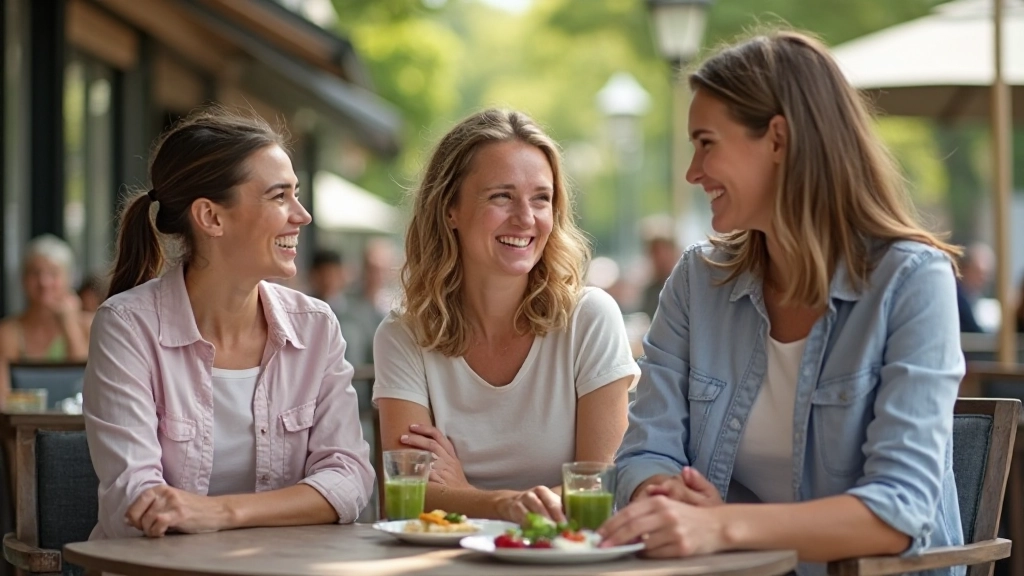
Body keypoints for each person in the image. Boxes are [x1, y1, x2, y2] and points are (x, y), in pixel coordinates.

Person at [603, 31, 965, 576]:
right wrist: (670, 498)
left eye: (706, 143)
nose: (692, 172)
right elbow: (643, 452)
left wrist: (721, 526)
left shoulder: (911, 281)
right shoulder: (697, 281)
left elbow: (899, 509)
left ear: (777, 139)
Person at [83, 107, 374, 540]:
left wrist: (220, 512)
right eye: (279, 196)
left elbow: (349, 480)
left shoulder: (315, 327)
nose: (301, 215)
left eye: (296, 194)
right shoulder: (126, 326)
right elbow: (137, 499)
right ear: (211, 217)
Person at [373, 109, 639, 523]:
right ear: (450, 210)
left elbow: (601, 489)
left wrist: (462, 493)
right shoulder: (404, 334)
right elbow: (406, 495)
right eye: (502, 196)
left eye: (541, 198)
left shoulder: (589, 318)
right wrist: (503, 504)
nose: (526, 218)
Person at [0, 235, 92, 403]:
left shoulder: (90, 325)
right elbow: (3, 399)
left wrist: (69, 324)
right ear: (23, 280)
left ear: (69, 279)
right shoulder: (8, 332)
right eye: (35, 273)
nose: (44, 282)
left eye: (53, 273)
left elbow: (86, 383)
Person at [307, 248, 376, 366]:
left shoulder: (360, 312)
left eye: (333, 274)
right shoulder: (304, 312)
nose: (328, 281)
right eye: (323, 275)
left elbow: (370, 352)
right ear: (313, 276)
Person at [639, 214, 682, 320]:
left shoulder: (683, 288)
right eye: (653, 252)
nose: (658, 258)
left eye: (662, 251)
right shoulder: (650, 291)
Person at [956, 242, 994, 333]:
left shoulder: (977, 300)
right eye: (979, 272)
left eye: (987, 274)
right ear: (965, 268)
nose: (983, 279)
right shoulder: (957, 296)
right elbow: (973, 331)